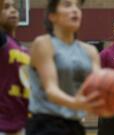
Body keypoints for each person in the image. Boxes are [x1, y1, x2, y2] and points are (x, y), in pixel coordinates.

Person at [26, 0, 106, 135]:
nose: (75, 10)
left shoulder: (91, 51)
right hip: (45, 124)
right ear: (52, 15)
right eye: (67, 5)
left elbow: (97, 89)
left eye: (78, 6)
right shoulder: (43, 44)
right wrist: (77, 103)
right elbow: (51, 90)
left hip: (75, 125)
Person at [0, 0, 30, 135]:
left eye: (15, 7)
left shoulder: (23, 49)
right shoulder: (2, 41)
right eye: (6, 7)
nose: (13, 10)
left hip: (21, 123)